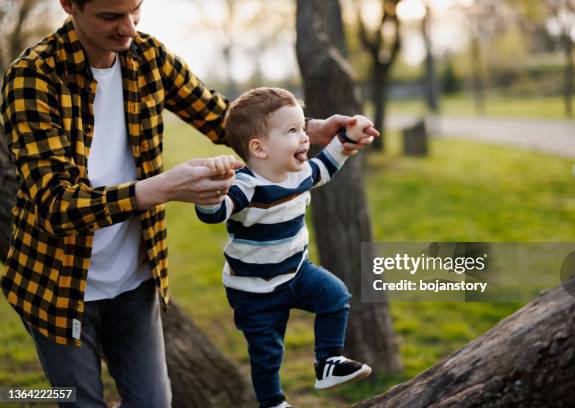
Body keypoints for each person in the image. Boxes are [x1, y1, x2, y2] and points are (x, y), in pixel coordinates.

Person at [0, 1, 378, 407]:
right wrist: (163, 188)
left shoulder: (147, 57)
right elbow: (56, 203)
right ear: (70, 5)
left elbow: (223, 116)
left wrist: (308, 129)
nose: (128, 28)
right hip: (55, 286)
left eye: (136, 10)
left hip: (134, 279)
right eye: (111, 17)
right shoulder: (32, 78)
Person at [195, 87, 373, 408]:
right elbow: (216, 213)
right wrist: (209, 193)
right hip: (253, 290)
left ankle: (328, 362)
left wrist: (346, 138)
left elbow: (326, 167)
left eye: (303, 129)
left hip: (296, 271)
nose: (305, 138)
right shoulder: (246, 186)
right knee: (267, 352)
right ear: (259, 148)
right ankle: (273, 403)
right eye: (293, 131)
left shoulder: (299, 172)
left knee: (335, 296)